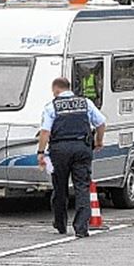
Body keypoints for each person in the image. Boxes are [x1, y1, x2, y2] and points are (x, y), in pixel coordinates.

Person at [37, 77, 106, 238]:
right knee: (82, 187)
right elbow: (101, 123)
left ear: (56, 89)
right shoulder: (85, 103)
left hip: (59, 151)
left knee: (59, 187)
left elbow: (45, 131)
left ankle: (60, 223)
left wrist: (41, 152)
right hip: (82, 148)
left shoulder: (51, 107)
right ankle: (81, 228)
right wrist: (99, 141)